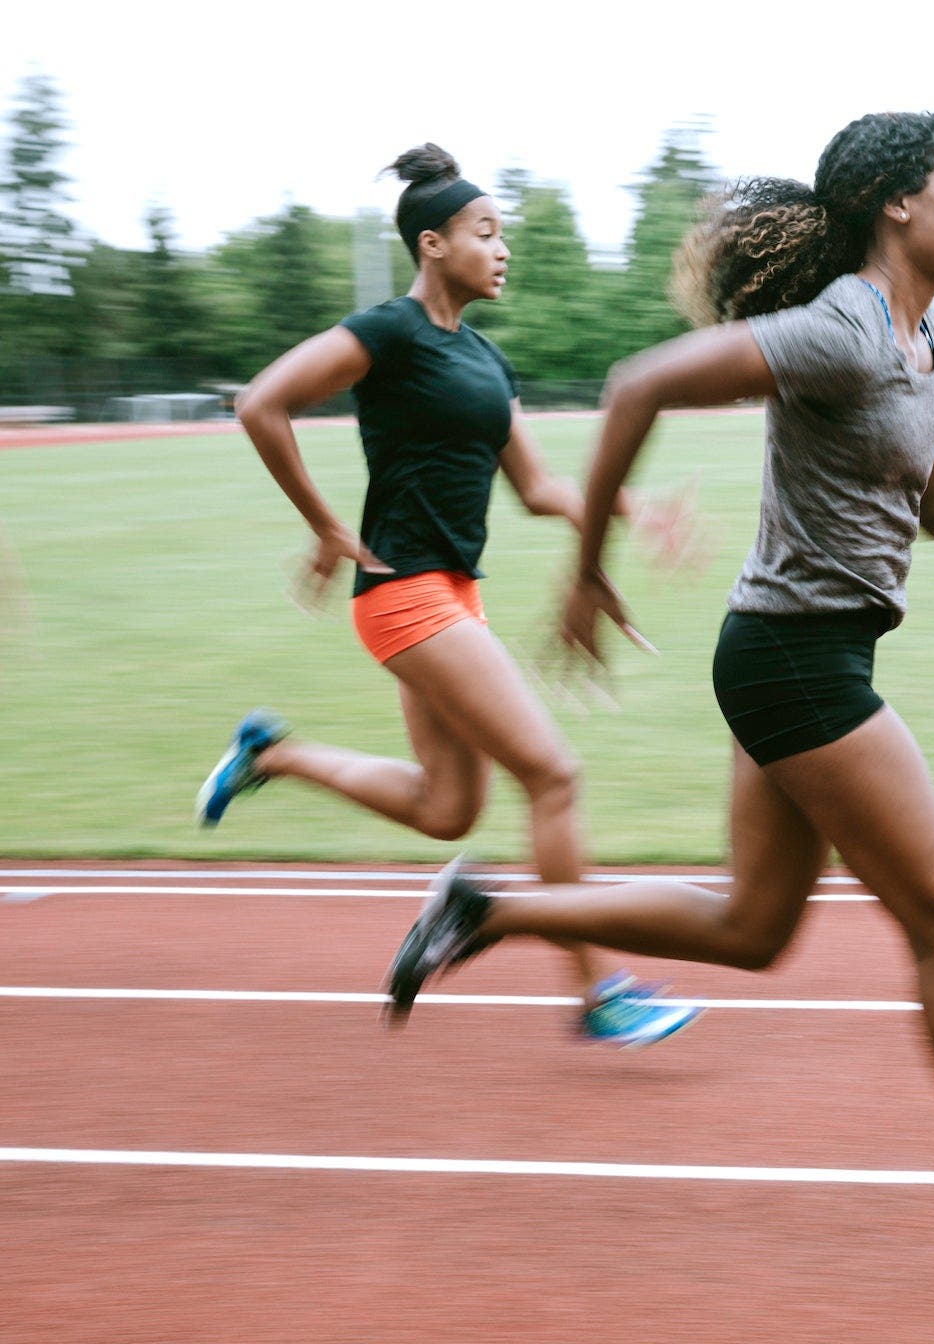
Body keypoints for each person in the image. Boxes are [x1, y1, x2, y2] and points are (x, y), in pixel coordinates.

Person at [384, 111, 934, 1313]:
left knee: (754, 928)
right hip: (796, 664)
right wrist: (587, 566)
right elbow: (639, 381)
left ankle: (492, 907)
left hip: (800, 654)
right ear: (900, 205)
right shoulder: (841, 327)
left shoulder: (931, 331)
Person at [203, 143, 696, 1049]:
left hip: (455, 596)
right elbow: (260, 404)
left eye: (503, 234)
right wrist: (323, 526)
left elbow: (543, 490)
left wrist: (638, 508)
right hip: (402, 594)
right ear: (433, 244)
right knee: (553, 773)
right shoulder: (386, 334)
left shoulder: (489, 364)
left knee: (445, 808)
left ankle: (270, 754)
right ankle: (598, 992)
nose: (503, 248)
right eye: (486, 232)